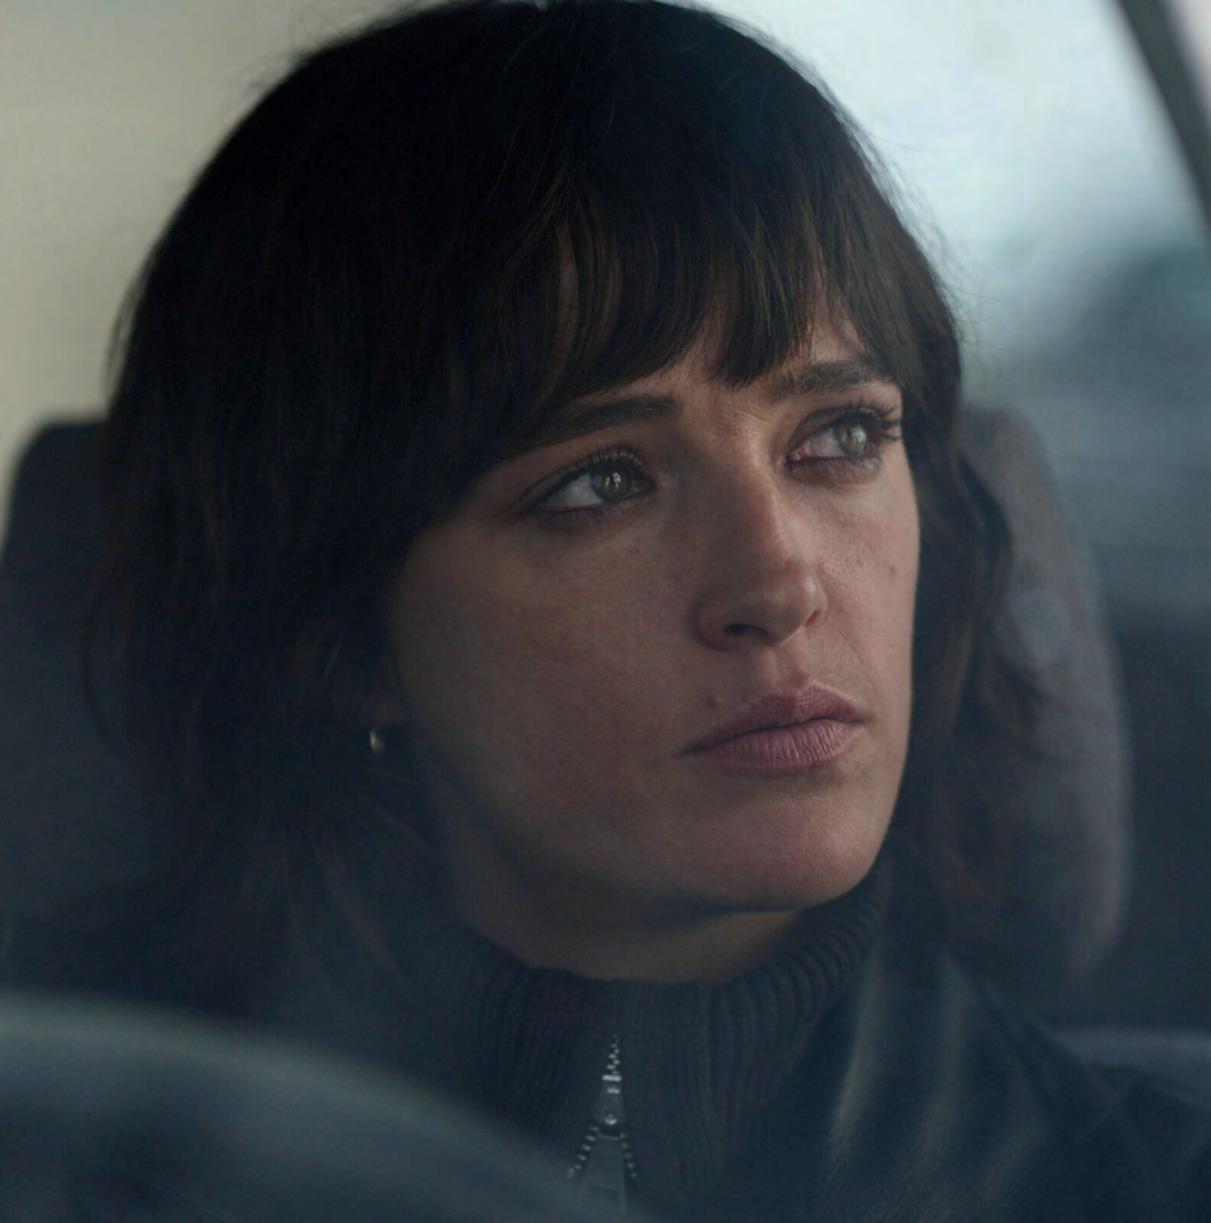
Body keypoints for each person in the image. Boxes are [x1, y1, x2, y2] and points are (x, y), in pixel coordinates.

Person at [3, 0, 1208, 1218]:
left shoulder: (1146, 1182)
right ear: (342, 637)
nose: (777, 584)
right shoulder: (76, 1168)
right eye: (598, 482)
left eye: (839, 436)